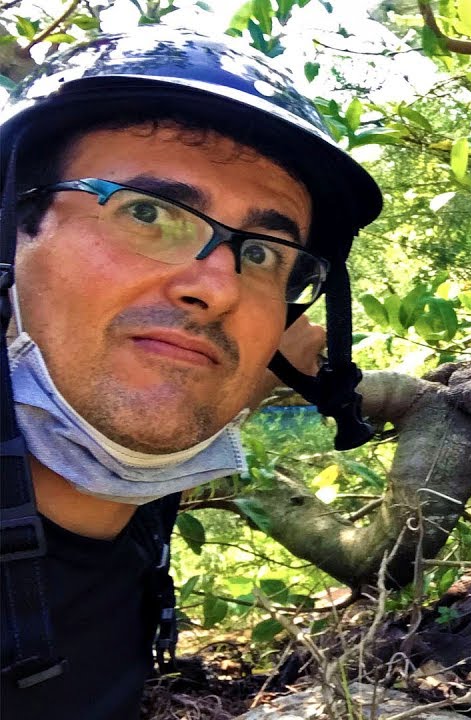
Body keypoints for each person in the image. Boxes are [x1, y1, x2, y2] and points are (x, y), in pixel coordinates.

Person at [0, 29, 382, 719]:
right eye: (148, 213)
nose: (219, 289)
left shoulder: (141, 514)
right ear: (11, 237)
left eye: (263, 254)